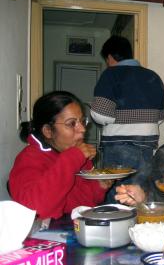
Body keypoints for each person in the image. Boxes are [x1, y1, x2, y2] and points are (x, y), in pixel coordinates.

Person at [9, 91, 113, 219]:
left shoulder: (75, 155)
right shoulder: (29, 159)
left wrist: (99, 186)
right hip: (47, 235)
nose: (83, 129)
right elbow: (36, 211)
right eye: (71, 123)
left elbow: (84, 202)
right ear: (48, 131)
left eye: (82, 121)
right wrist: (73, 158)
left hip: (77, 227)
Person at [90, 35, 164, 204]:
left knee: (119, 198)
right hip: (148, 147)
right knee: (140, 196)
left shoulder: (110, 75)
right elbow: (160, 117)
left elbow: (101, 115)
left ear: (110, 57)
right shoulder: (153, 76)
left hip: (119, 146)